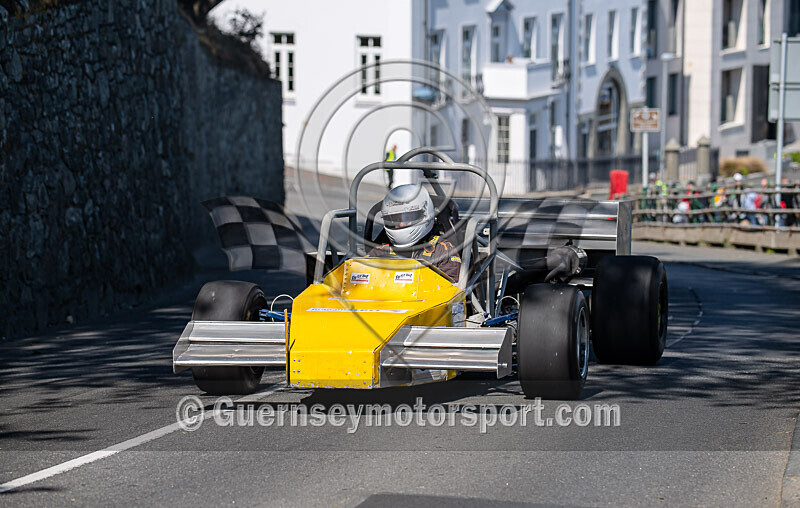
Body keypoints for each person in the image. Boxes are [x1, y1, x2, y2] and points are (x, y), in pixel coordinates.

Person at [368, 184, 462, 281]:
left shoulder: (443, 250)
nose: (400, 224)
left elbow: (450, 287)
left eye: (407, 218)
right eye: (395, 219)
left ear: (424, 215)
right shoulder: (380, 250)